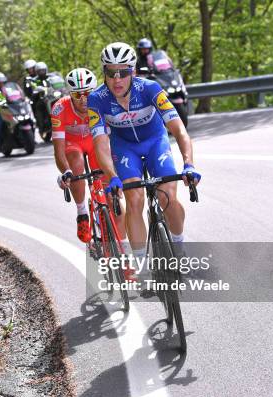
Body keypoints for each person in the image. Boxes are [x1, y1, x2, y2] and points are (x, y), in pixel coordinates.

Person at [88, 42, 201, 266]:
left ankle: (179, 249)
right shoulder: (96, 99)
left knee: (166, 196)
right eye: (111, 73)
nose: (117, 79)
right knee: (134, 199)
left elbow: (179, 130)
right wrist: (112, 176)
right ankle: (142, 266)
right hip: (124, 147)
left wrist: (189, 164)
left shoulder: (149, 88)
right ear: (104, 73)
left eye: (123, 72)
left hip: (155, 142)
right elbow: (100, 143)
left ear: (134, 72)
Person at [52, 68, 125, 244]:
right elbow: (58, 149)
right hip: (72, 144)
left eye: (87, 93)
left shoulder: (102, 102)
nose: (83, 99)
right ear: (70, 95)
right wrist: (66, 171)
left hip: (95, 144)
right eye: (77, 95)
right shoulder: (59, 109)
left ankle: (121, 245)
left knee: (110, 191)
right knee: (75, 164)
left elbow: (112, 138)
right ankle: (82, 212)